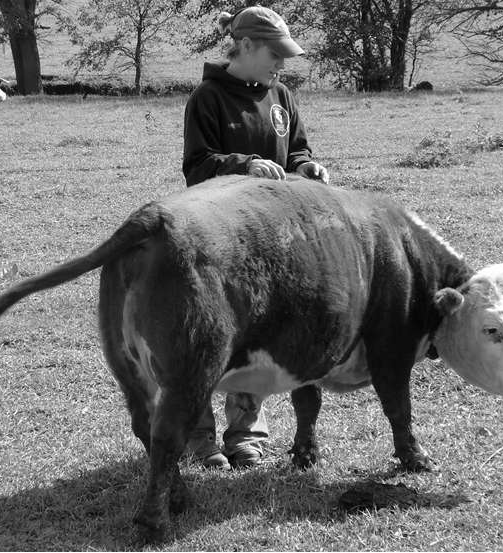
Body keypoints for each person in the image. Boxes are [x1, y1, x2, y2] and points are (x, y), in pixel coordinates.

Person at [181, 5, 330, 469]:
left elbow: (299, 149)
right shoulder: (206, 98)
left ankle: (244, 433)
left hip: (274, 238)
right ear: (244, 47)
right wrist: (242, 165)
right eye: (274, 53)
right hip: (220, 235)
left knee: (256, 333)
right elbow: (196, 166)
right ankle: (200, 437)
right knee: (210, 336)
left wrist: (307, 167)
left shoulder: (281, 94)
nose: (281, 64)